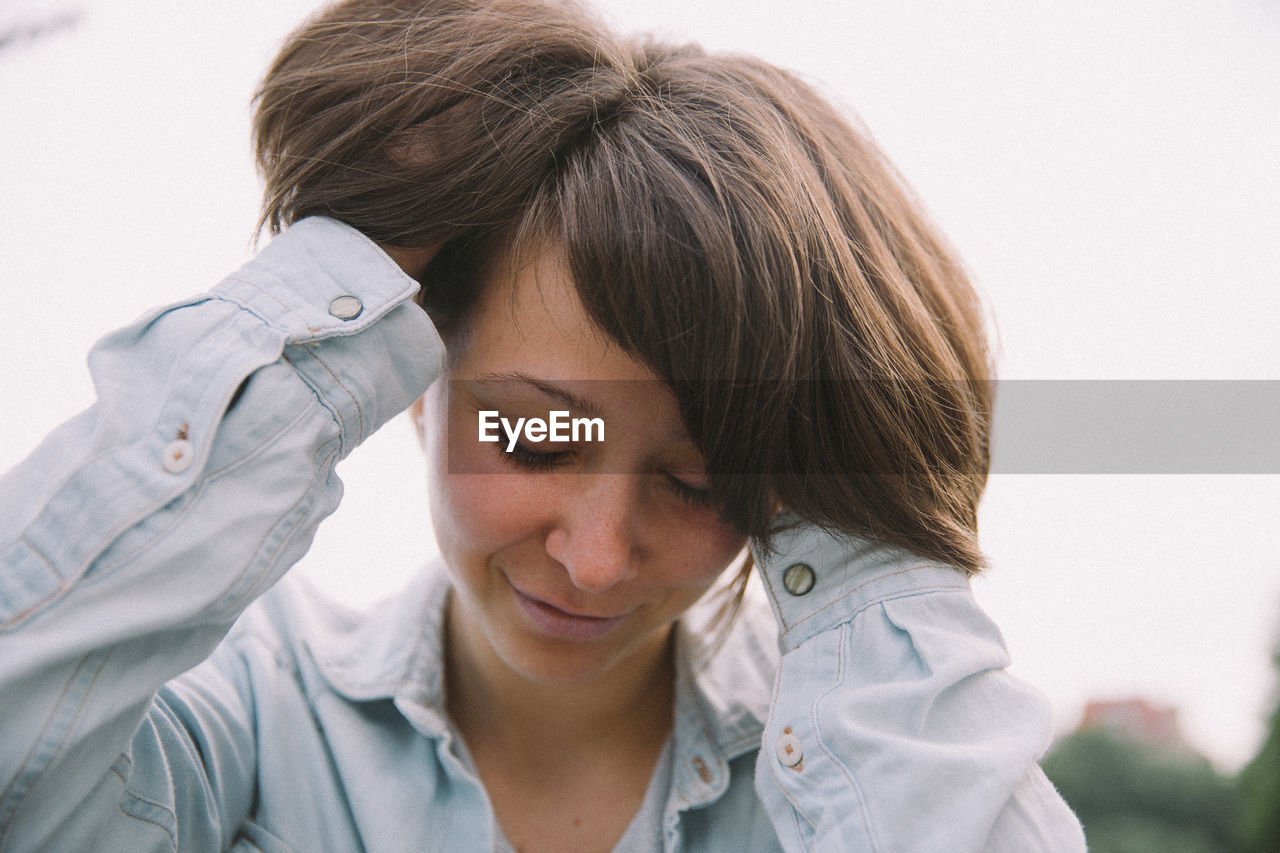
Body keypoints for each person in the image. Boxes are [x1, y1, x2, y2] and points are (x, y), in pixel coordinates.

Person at [0, 0, 1086, 850]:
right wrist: (342, 281)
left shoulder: (875, 761)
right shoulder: (242, 713)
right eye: (532, 436)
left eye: (701, 481)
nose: (598, 558)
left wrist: (853, 452)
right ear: (413, 376)